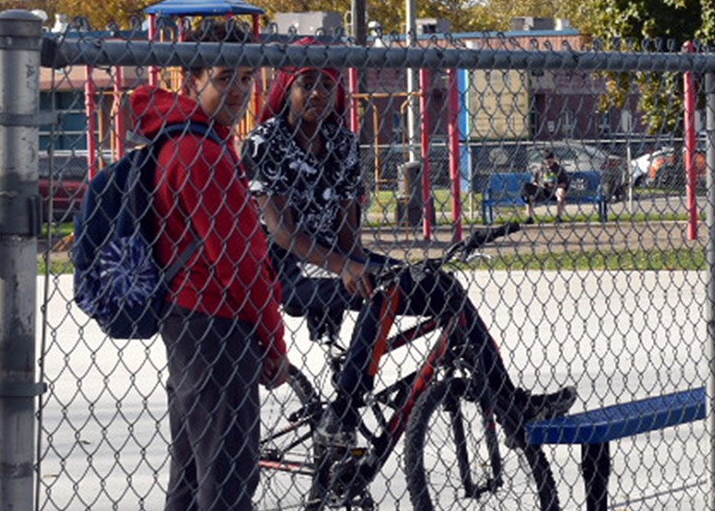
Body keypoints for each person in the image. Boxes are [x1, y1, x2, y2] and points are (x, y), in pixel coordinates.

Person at [242, 62, 574, 464]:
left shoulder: (343, 143)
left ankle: (510, 405)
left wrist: (361, 264)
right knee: (379, 287)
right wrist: (346, 268)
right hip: (286, 263)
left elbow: (349, 232)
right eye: (306, 84)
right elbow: (282, 230)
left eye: (326, 86)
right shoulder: (266, 141)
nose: (316, 94)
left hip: (339, 256)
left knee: (443, 287)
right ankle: (340, 418)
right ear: (286, 88)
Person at [131, 18, 318, 511]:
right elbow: (242, 263)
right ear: (191, 77)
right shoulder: (204, 154)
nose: (238, 90)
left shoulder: (176, 138)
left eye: (246, 77)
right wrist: (274, 342)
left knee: (194, 467)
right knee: (228, 472)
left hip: (187, 321)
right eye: (223, 77)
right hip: (219, 322)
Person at [527, 148, 569, 219]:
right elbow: (534, 181)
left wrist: (555, 185)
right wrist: (540, 185)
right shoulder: (540, 168)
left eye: (550, 160)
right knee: (529, 193)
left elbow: (564, 184)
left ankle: (559, 216)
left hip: (554, 190)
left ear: (553, 159)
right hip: (542, 190)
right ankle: (530, 217)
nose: (548, 162)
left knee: (561, 191)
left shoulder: (559, 169)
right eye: (546, 160)